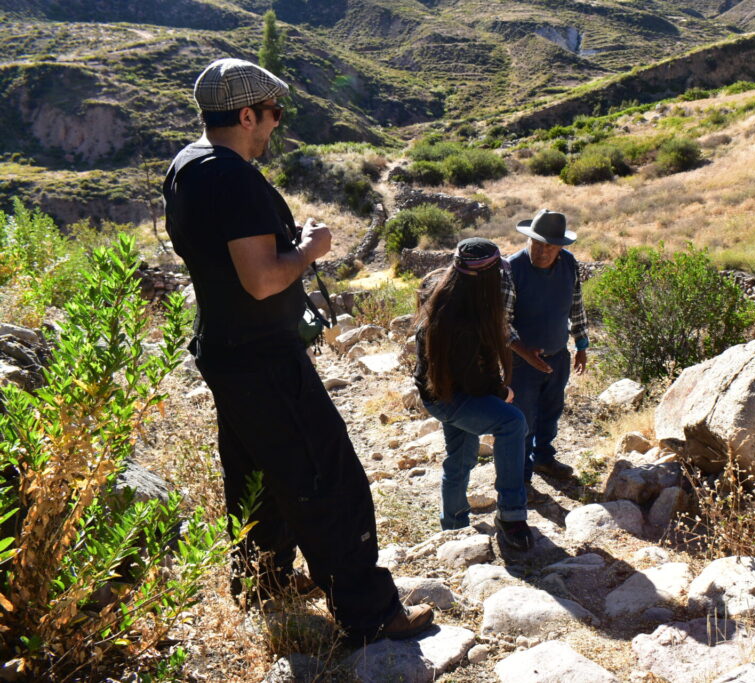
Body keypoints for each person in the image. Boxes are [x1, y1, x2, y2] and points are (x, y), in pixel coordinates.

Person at [162, 57, 432, 642]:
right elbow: (262, 280)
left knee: (257, 472)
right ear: (247, 115)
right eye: (273, 114)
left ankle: (265, 582)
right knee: (328, 477)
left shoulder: (186, 165)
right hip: (263, 354)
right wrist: (310, 248)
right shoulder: (233, 179)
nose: (276, 124)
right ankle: (369, 612)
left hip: (224, 346)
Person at [414, 238, 534, 551]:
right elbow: (473, 378)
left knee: (461, 457)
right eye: (497, 274)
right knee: (512, 423)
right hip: (453, 395)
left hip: (439, 392)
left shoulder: (444, 291)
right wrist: (502, 392)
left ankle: (453, 526)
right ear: (485, 277)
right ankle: (511, 515)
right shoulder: (464, 317)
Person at [504, 209, 589, 487]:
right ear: (528, 239)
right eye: (536, 243)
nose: (541, 251)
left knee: (551, 413)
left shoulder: (569, 263)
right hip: (520, 362)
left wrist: (581, 344)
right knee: (523, 420)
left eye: (549, 246)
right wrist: (524, 351)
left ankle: (543, 458)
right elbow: (501, 321)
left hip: (557, 356)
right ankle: (520, 481)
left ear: (560, 247)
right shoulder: (511, 268)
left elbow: (576, 305)